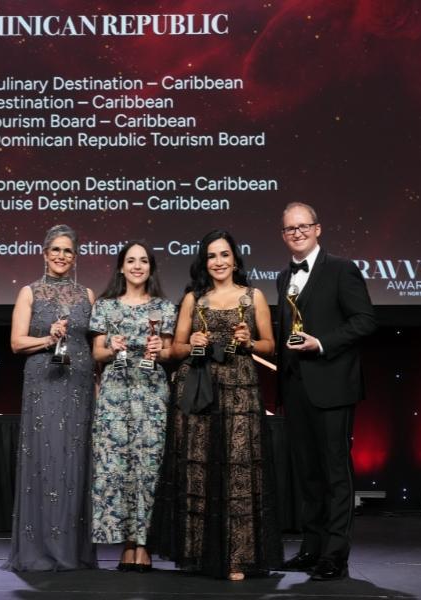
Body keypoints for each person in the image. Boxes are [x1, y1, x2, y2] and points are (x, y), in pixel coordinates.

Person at [151, 230, 283, 581]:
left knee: (239, 469)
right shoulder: (194, 299)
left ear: (235, 259)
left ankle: (238, 557)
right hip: (199, 389)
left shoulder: (253, 296)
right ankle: (199, 554)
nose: (219, 261)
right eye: (212, 256)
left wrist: (249, 341)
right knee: (200, 470)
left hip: (240, 388)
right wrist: (192, 341)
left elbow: (270, 346)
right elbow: (176, 349)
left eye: (224, 254)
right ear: (204, 262)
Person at [274, 202, 376, 581]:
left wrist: (321, 343)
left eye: (304, 226)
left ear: (318, 229)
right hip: (296, 387)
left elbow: (365, 320)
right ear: (283, 235)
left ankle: (335, 555)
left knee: (335, 474)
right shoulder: (283, 277)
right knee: (308, 474)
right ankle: (311, 548)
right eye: (290, 228)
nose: (297, 233)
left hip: (333, 386)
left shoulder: (341, 269)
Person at [3, 224, 97, 571]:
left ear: (75, 257)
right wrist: (47, 339)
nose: (61, 256)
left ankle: (72, 550)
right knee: (47, 458)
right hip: (44, 381)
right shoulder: (29, 292)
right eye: (55, 250)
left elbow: (94, 343)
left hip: (80, 383)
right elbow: (16, 343)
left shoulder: (87, 294)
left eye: (67, 251)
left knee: (75, 461)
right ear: (44, 254)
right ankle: (41, 549)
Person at [88, 241, 177, 573]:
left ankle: (144, 544)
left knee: (149, 468)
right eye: (131, 261)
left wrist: (159, 349)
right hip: (115, 394)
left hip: (152, 393)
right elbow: (97, 354)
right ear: (121, 268)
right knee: (117, 468)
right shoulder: (105, 306)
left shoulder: (164, 307)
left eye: (143, 261)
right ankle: (127, 544)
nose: (137, 266)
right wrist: (111, 347)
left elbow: (170, 352)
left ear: (150, 268)